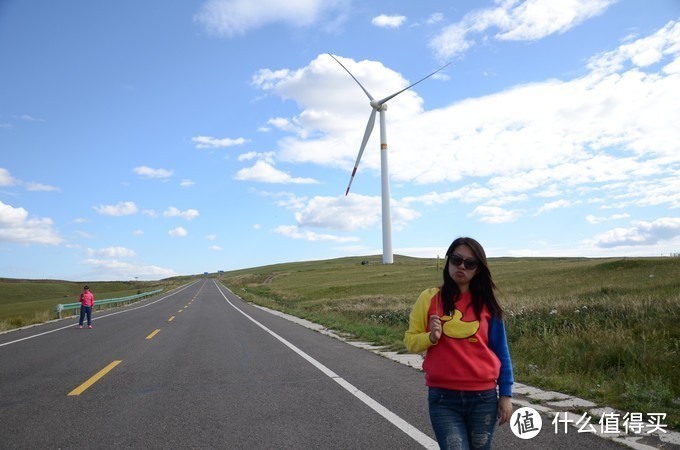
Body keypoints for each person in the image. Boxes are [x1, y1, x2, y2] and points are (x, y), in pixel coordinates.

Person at [404, 237, 514, 450]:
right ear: (448, 262)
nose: (461, 266)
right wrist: (430, 338)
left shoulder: (487, 304)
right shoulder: (429, 299)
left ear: (478, 270)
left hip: (484, 397)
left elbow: (501, 351)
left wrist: (506, 394)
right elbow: (410, 341)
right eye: (456, 260)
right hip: (443, 398)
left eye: (469, 263)